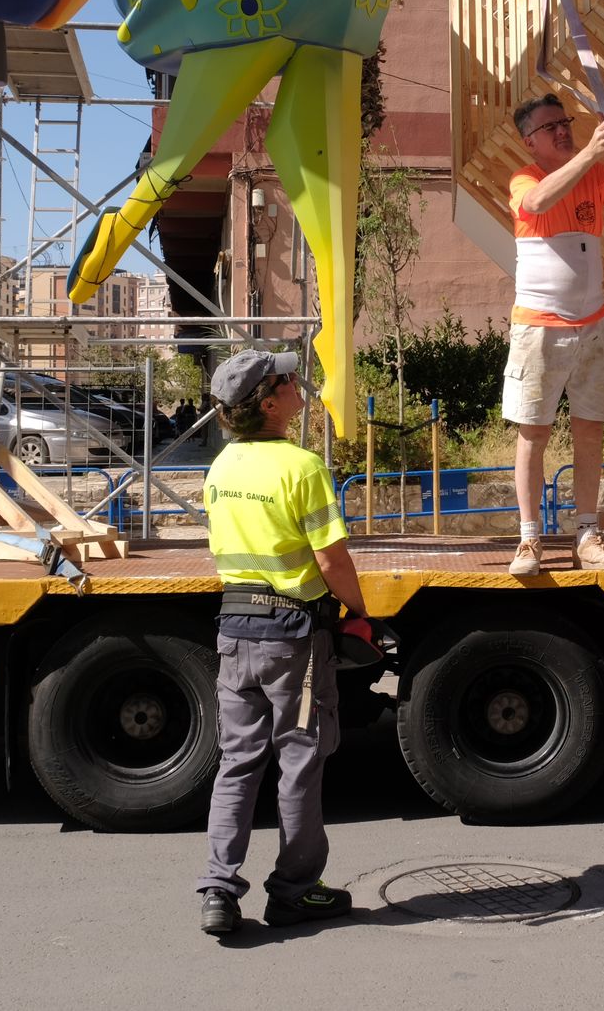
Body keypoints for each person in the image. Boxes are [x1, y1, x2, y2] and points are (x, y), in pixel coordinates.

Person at [196, 349, 369, 937]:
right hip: (294, 637)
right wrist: (361, 612)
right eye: (289, 380)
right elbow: (331, 558)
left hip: (234, 632)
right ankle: (294, 892)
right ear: (269, 403)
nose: (300, 384)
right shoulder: (302, 468)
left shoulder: (221, 468)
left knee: (238, 762)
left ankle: (219, 890)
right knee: (299, 759)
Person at [503, 91, 604, 576]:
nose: (564, 130)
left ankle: (586, 535)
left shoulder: (594, 174)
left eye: (565, 122)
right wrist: (593, 149)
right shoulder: (525, 177)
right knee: (534, 432)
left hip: (593, 322)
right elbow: (538, 201)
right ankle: (529, 539)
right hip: (540, 324)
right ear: (530, 142)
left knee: (590, 430)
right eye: (552, 127)